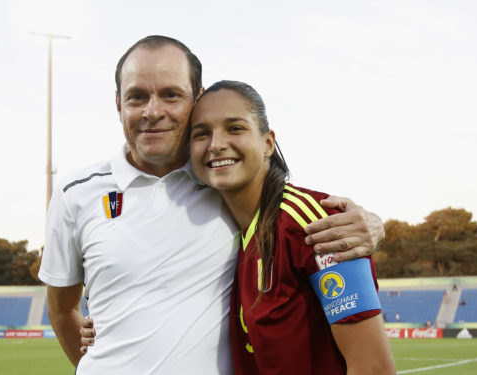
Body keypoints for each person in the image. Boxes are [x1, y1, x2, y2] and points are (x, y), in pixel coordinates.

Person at [41, 35, 386, 374]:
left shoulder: (235, 186)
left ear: (196, 98)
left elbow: (373, 365)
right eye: (137, 97)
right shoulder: (76, 193)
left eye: (171, 95)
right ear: (118, 104)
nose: (153, 111)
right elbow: (61, 309)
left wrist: (371, 223)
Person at [187, 80, 395, 374]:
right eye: (201, 134)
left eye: (235, 128)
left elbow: (374, 368)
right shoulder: (231, 232)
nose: (216, 144)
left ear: (268, 143)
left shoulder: (315, 222)